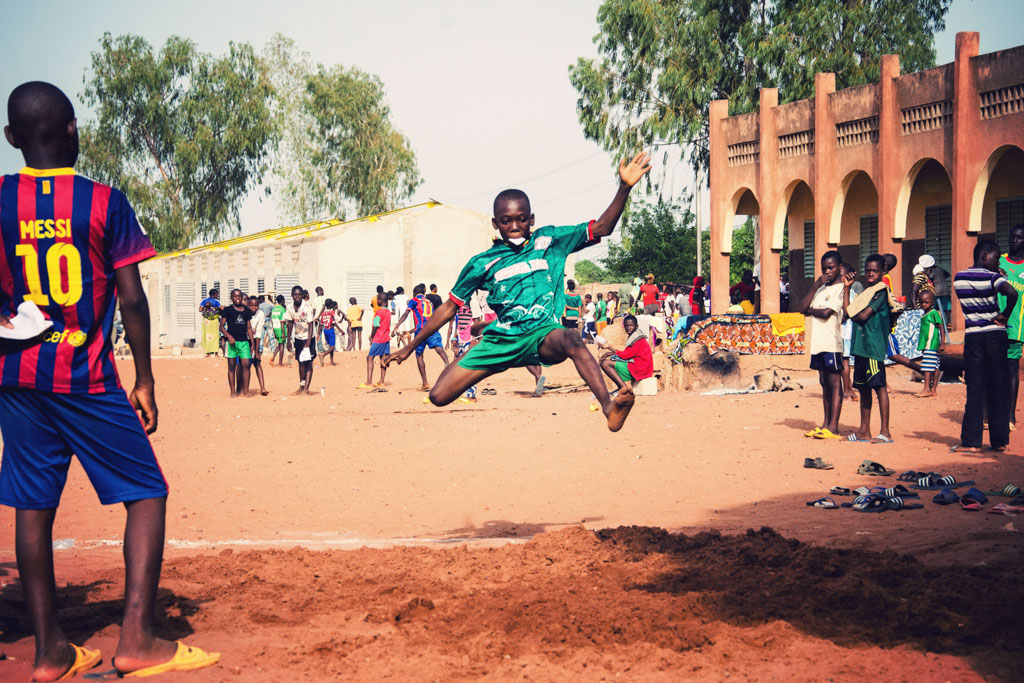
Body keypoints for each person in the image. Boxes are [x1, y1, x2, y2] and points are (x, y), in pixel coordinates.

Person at [0, 81, 218, 679]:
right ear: (74, 130)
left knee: (32, 507)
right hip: (84, 375)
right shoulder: (103, 201)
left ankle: (50, 654)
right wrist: (144, 379)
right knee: (146, 494)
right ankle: (138, 642)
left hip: (16, 377)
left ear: (11, 138)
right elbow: (131, 297)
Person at [384, 151, 651, 432]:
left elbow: (603, 227)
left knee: (572, 338)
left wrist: (624, 187)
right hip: (500, 342)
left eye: (521, 219)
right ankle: (484, 358)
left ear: (532, 219)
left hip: (542, 335)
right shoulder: (482, 263)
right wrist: (409, 346)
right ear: (496, 223)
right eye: (507, 221)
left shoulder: (550, 240)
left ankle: (608, 408)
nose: (514, 227)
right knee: (438, 396)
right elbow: (449, 307)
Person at [951, 240, 1017, 452]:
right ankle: (999, 441)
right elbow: (1012, 294)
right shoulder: (994, 277)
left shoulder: (959, 278)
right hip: (995, 336)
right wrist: (1005, 315)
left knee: (976, 388)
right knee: (998, 386)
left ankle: (971, 442)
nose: (999, 261)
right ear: (984, 256)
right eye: (996, 257)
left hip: (974, 337)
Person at [844, 254, 893, 443]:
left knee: (879, 387)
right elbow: (848, 310)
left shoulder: (881, 292)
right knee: (863, 389)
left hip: (873, 347)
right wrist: (847, 288)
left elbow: (862, 316)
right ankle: (864, 430)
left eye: (875, 271)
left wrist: (852, 314)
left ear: (883, 272)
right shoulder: (866, 292)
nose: (871, 274)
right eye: (868, 270)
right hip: (860, 347)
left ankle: (885, 431)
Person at [799, 251, 845, 440]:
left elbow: (827, 313)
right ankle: (825, 424)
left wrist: (812, 311)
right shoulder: (819, 289)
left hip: (832, 342)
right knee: (824, 382)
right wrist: (815, 285)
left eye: (831, 267)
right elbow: (802, 308)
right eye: (824, 268)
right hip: (818, 344)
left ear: (839, 268)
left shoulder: (841, 289)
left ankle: (834, 427)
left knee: (834, 383)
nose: (827, 271)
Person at [392, 283, 450, 391]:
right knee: (439, 348)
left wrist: (397, 325)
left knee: (419, 355)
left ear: (414, 293)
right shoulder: (429, 302)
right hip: (432, 328)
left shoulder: (414, 300)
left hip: (421, 331)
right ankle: (447, 363)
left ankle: (425, 383)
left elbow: (406, 313)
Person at [999, 223, 1024, 430]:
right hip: (995, 324)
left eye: (1019, 238)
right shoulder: (999, 262)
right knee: (992, 369)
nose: (1014, 241)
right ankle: (989, 414)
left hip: (1016, 325)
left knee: (1011, 370)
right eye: (1012, 237)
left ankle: (1010, 416)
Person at [597, 314, 652, 394]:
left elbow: (625, 356)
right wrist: (609, 353)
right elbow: (626, 354)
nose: (629, 328)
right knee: (609, 361)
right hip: (638, 365)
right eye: (626, 326)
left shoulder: (638, 339)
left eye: (631, 325)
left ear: (636, 326)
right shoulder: (635, 336)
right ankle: (620, 387)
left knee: (605, 364)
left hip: (640, 368)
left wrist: (609, 348)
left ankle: (623, 388)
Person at [219, 288, 254, 397]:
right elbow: (221, 327)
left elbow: (249, 327)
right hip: (232, 343)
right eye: (235, 296)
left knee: (246, 365)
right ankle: (233, 391)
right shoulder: (227, 310)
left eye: (239, 296)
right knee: (231, 367)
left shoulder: (247, 311)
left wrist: (252, 342)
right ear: (231, 297)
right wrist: (229, 336)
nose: (237, 298)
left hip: (244, 342)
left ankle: (246, 390)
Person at [284, 284, 316, 395]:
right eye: (295, 294)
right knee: (300, 362)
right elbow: (289, 323)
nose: (297, 296)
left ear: (302, 295)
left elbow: (311, 325)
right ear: (292, 295)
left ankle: (306, 389)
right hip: (298, 337)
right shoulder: (289, 307)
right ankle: (301, 386)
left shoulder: (307, 307)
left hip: (308, 338)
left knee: (308, 362)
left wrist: (308, 342)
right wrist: (288, 340)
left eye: (299, 294)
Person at [839, 263, 864, 402]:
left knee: (845, 362)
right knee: (845, 362)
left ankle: (847, 390)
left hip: (844, 331)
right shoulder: (850, 292)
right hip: (847, 331)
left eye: (842, 276)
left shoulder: (847, 292)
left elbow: (846, 314)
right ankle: (848, 389)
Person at [915, 290, 944, 398]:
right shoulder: (924, 314)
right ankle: (933, 389)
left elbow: (941, 327)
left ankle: (926, 388)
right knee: (935, 366)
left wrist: (942, 343)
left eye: (926, 302)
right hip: (928, 344)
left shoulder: (933, 313)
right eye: (921, 302)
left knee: (927, 366)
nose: (924, 304)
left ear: (932, 302)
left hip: (931, 344)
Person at [359, 293, 391, 389]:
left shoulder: (379, 312)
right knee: (383, 359)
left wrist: (371, 336)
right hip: (386, 338)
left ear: (380, 300)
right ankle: (381, 381)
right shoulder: (388, 312)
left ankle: (369, 382)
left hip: (379, 338)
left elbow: (376, 325)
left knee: (370, 358)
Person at [247, 296, 269, 396]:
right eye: (251, 305)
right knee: (244, 365)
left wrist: (256, 350)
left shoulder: (261, 314)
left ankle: (263, 388)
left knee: (257, 363)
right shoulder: (244, 313)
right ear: (248, 305)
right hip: (244, 340)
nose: (253, 307)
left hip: (256, 339)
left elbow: (259, 331)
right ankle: (243, 388)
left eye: (256, 305)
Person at [199, 287, 222, 356]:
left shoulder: (204, 301)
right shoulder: (216, 301)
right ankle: (216, 354)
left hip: (206, 321)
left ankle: (208, 353)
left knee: (207, 336)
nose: (217, 296)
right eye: (217, 294)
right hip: (214, 321)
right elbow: (222, 308)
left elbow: (200, 310)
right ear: (214, 294)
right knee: (215, 336)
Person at [319, 299, 339, 366]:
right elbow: (334, 322)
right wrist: (341, 330)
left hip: (325, 330)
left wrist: (318, 333)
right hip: (331, 330)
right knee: (332, 347)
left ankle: (332, 361)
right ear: (331, 305)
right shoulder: (332, 312)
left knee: (331, 346)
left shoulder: (323, 313)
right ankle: (323, 355)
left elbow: (320, 324)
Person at [269, 294, 288, 366]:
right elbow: (282, 322)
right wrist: (283, 332)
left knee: (280, 344)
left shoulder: (274, 309)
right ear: (283, 301)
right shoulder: (282, 310)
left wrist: (274, 331)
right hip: (281, 329)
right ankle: (280, 362)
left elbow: (272, 320)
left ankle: (273, 356)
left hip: (275, 329)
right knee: (282, 345)